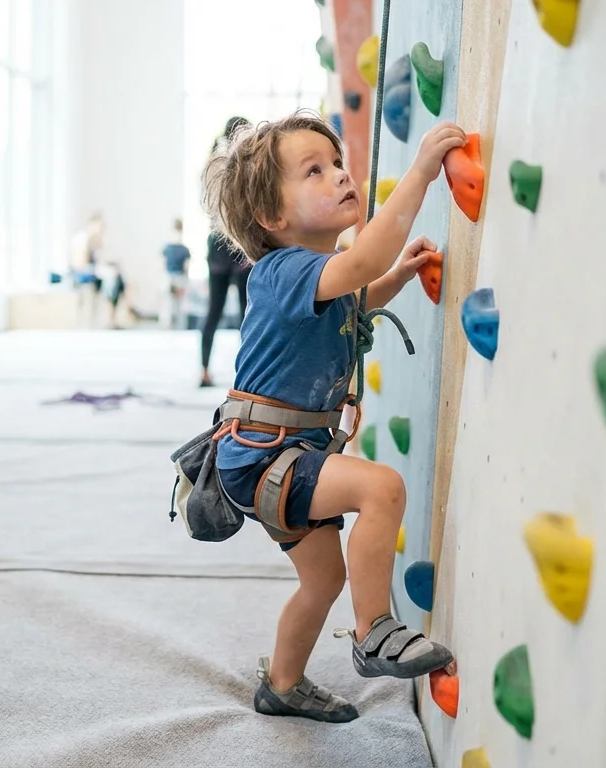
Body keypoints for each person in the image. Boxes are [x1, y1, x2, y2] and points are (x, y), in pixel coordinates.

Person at [200, 112, 468, 723]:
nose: (341, 176)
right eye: (313, 172)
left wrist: (394, 278)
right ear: (273, 219)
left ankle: (282, 685)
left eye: (337, 163)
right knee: (382, 487)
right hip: (268, 455)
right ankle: (374, 632)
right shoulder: (283, 270)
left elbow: (355, 296)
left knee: (321, 581)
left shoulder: (317, 280)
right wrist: (422, 171)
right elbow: (362, 263)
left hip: (274, 456)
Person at [200, 116, 252, 387]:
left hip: (221, 247)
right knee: (248, 314)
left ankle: (204, 370)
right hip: (237, 244)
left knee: (215, 311)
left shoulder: (213, 163)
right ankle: (247, 376)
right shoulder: (244, 165)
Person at [162, 218, 191, 329]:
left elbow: (186, 268)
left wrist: (185, 283)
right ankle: (168, 325)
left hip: (179, 277)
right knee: (168, 304)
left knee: (179, 304)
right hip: (169, 277)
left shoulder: (184, 250)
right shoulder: (167, 248)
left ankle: (178, 326)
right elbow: (163, 265)